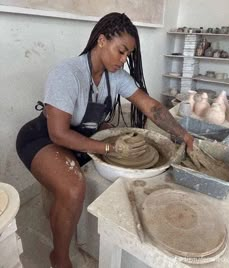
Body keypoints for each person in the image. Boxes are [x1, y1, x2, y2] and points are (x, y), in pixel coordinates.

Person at [16, 12, 193, 268]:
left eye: (127, 55)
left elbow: (151, 107)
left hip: (77, 136)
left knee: (119, 140)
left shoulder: (116, 77)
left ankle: (77, 226)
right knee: (73, 186)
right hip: (43, 137)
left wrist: (183, 135)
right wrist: (109, 146)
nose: (123, 60)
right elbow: (59, 133)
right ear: (101, 40)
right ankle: (60, 257)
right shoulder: (67, 73)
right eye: (121, 51)